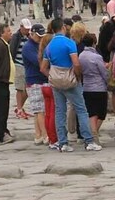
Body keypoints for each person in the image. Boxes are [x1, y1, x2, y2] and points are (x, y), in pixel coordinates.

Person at [41, 18, 102, 152]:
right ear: (63, 27)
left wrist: (51, 76)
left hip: (56, 82)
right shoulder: (69, 43)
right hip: (70, 80)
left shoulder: (49, 46)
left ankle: (62, 142)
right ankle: (89, 141)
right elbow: (76, 63)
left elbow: (43, 67)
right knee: (81, 110)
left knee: (60, 111)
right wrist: (78, 76)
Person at [22, 23, 48, 143]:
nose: (41, 38)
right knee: (40, 109)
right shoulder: (28, 47)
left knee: (39, 109)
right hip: (34, 81)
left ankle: (38, 135)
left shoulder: (41, 44)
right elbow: (38, 62)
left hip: (42, 80)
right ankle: (45, 134)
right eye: (38, 36)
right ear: (31, 34)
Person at [10, 19, 32, 119]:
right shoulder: (15, 37)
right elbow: (12, 50)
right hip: (18, 64)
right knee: (19, 88)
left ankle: (19, 108)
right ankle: (19, 109)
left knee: (28, 89)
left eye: (28, 29)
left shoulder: (30, 37)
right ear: (21, 27)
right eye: (26, 29)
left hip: (28, 65)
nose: (27, 31)